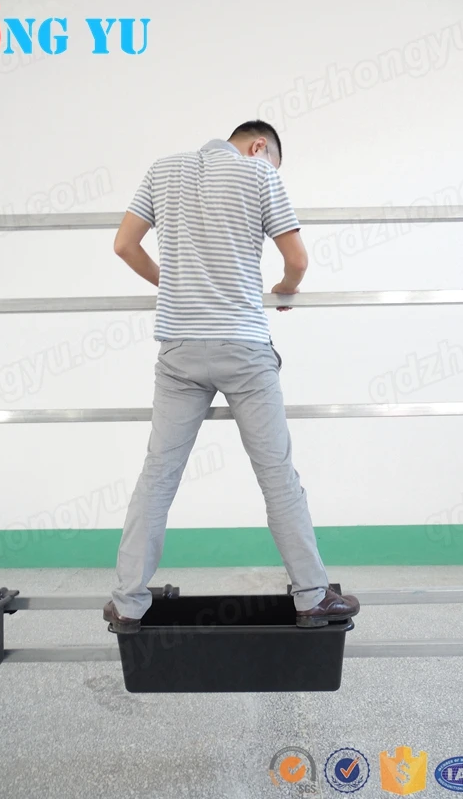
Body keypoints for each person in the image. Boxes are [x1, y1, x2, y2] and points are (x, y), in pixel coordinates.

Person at [103, 120, 360, 633]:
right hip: (243, 346)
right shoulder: (260, 175)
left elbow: (125, 246)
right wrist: (285, 288)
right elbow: (297, 260)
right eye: (272, 161)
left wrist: (172, 284)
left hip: (179, 349)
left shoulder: (162, 169)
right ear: (259, 146)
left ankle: (128, 602)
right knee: (277, 475)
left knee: (158, 475)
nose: (271, 169)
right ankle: (312, 596)